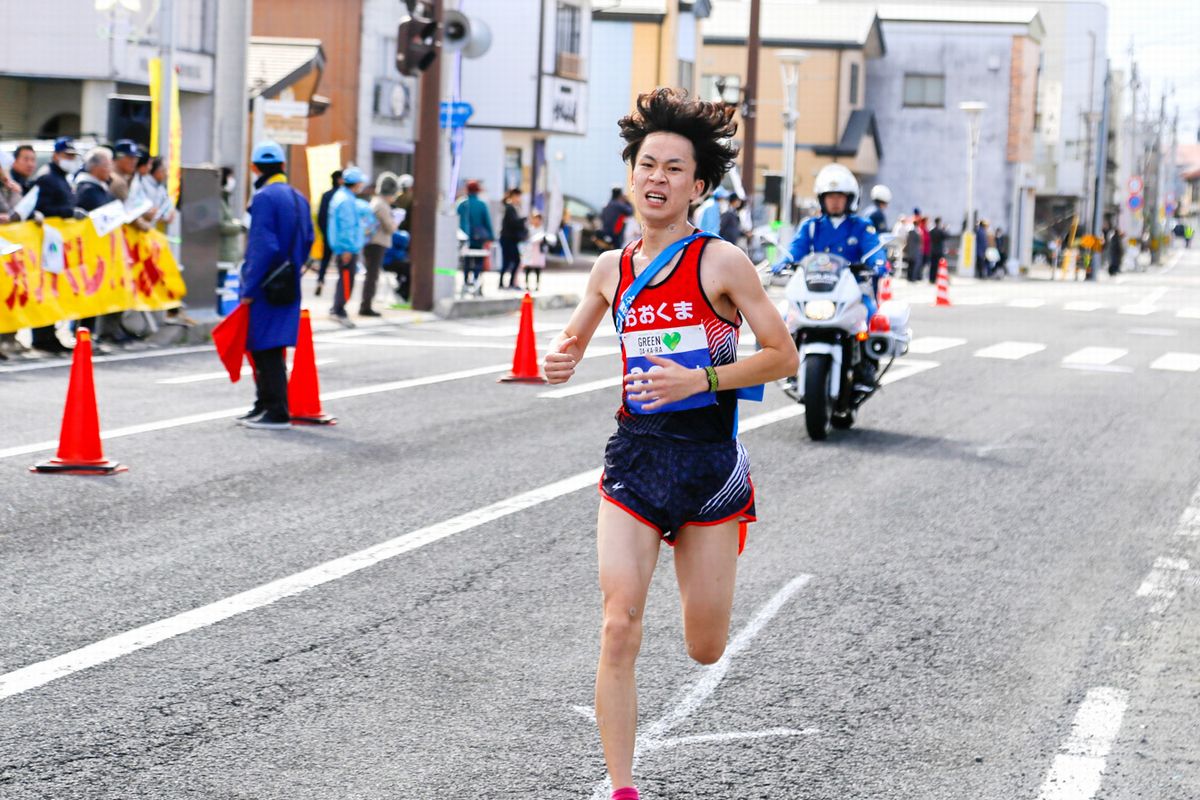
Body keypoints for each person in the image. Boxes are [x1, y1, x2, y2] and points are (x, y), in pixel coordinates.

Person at [543, 88, 797, 800]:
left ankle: (715, 544)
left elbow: (784, 356)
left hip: (710, 468)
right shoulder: (610, 269)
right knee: (619, 623)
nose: (657, 178)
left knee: (704, 647)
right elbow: (569, 344)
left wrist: (701, 379)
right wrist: (558, 358)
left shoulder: (721, 263)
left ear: (700, 187)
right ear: (631, 175)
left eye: (674, 169)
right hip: (635, 462)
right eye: (647, 164)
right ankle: (623, 787)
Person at [782, 163, 888, 389]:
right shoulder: (811, 226)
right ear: (822, 199)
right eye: (830, 196)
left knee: (869, 312)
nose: (835, 201)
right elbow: (796, 248)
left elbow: (874, 248)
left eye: (840, 196)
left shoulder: (861, 226)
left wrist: (878, 262)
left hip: (853, 288)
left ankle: (865, 366)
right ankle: (789, 363)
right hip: (817, 286)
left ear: (850, 199)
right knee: (786, 317)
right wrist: (783, 261)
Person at [236, 140, 313, 430]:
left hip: (266, 283)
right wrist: (292, 265)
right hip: (289, 279)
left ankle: (276, 409)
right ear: (283, 166)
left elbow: (262, 246)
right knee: (272, 344)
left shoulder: (264, 198)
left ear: (255, 168)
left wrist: (249, 288)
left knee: (263, 346)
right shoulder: (298, 197)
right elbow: (308, 240)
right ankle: (264, 404)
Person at [30, 137, 86, 355]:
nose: (71, 160)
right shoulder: (47, 178)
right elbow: (43, 207)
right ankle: (41, 336)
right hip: (47, 244)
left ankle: (50, 333)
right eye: (68, 156)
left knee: (54, 290)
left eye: (73, 157)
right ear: (57, 156)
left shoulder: (62, 178)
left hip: (58, 245)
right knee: (45, 289)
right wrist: (68, 213)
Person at [327, 166, 367, 327]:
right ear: (356, 183)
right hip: (346, 248)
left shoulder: (342, 197)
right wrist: (346, 248)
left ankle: (338, 308)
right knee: (346, 280)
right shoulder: (346, 201)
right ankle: (338, 310)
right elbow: (346, 227)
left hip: (344, 246)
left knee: (345, 279)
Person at [362, 172, 400, 317]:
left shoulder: (375, 202)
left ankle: (367, 304)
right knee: (372, 275)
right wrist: (396, 222)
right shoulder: (382, 205)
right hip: (376, 243)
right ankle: (366, 305)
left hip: (371, 242)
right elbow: (390, 227)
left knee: (372, 275)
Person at [456, 179, 494, 294]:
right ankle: (476, 281)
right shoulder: (482, 205)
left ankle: (466, 282)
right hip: (478, 238)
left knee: (466, 260)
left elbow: (455, 220)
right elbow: (487, 222)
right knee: (478, 260)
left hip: (464, 238)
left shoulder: (461, 204)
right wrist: (491, 237)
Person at [314, 170, 343, 297]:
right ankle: (341, 288)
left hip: (327, 233)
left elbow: (321, 217)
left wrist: (325, 232)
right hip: (340, 235)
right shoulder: (342, 196)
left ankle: (320, 281)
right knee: (342, 262)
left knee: (325, 260)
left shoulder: (326, 195)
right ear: (338, 179)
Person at [499, 187, 527, 290]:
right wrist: (523, 220)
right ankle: (506, 283)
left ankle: (508, 283)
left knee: (511, 261)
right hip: (508, 239)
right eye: (518, 196)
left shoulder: (513, 207)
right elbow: (513, 223)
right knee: (510, 261)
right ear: (514, 196)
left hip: (511, 239)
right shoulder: (509, 207)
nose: (519, 198)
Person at [522, 209, 547, 292]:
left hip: (538, 252)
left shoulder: (542, 229)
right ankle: (526, 284)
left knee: (537, 269)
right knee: (528, 268)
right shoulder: (529, 229)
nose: (536, 220)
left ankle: (537, 285)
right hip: (530, 251)